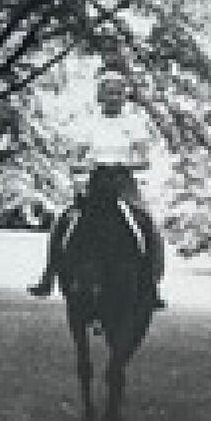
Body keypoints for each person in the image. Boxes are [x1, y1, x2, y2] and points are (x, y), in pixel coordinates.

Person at [29, 67, 166, 309]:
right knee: (63, 220)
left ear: (125, 96)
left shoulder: (134, 123)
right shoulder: (88, 123)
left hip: (123, 181)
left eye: (119, 93)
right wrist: (83, 167)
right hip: (95, 180)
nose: (114, 98)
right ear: (100, 96)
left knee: (148, 225)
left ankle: (150, 284)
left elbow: (145, 159)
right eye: (109, 93)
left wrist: (124, 163)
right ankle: (48, 276)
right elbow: (76, 158)